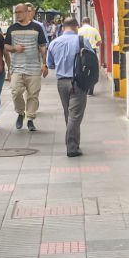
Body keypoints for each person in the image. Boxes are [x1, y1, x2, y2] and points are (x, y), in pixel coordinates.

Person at [46, 17, 89, 157]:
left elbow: (50, 64)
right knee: (75, 116)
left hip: (61, 83)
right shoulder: (82, 41)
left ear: (63, 28)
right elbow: (92, 60)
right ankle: (72, 147)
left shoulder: (53, 43)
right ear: (76, 27)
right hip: (78, 82)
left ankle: (73, 143)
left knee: (69, 114)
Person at [5, 3, 47, 131]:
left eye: (19, 12)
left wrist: (44, 64)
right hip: (17, 67)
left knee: (33, 95)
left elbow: (42, 47)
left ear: (27, 12)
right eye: (16, 12)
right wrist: (14, 48)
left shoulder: (36, 28)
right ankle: (20, 112)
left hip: (34, 68)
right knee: (16, 91)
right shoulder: (12, 29)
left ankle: (30, 119)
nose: (17, 14)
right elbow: (6, 46)